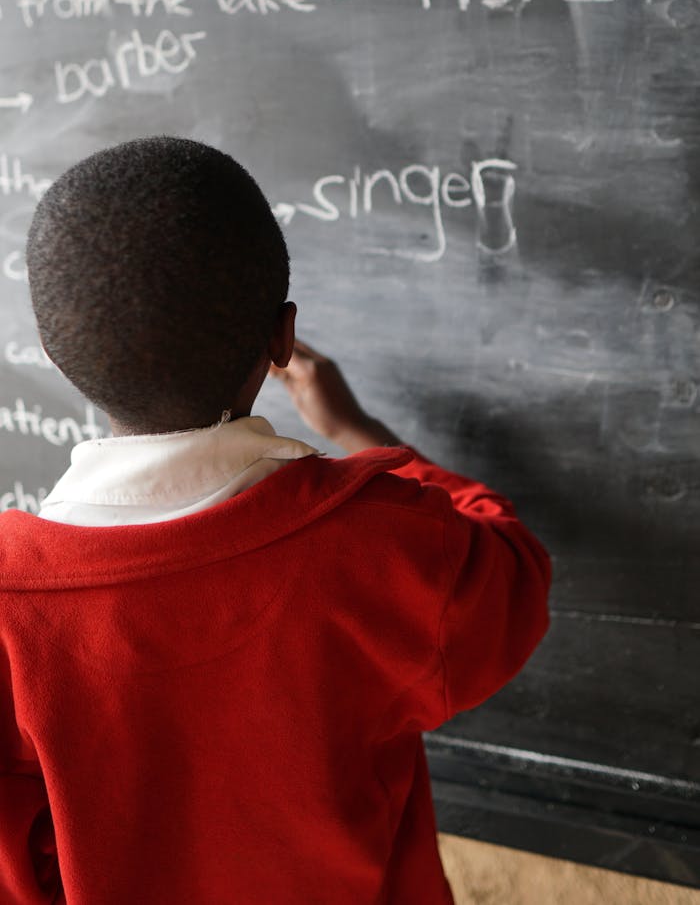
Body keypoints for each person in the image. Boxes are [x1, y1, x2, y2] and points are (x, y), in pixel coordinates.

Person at [1, 136, 550, 905]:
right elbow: (514, 566)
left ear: (59, 359)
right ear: (283, 339)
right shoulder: (391, 546)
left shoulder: (10, 607)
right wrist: (359, 431)